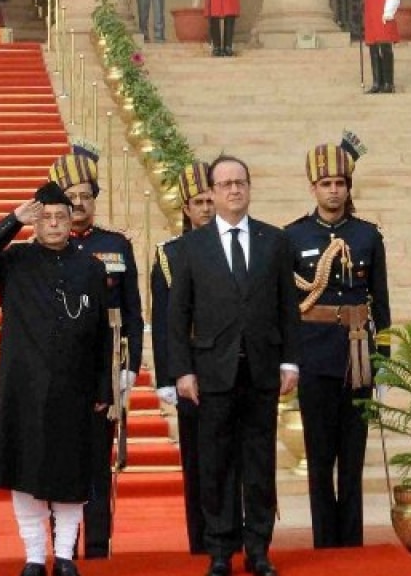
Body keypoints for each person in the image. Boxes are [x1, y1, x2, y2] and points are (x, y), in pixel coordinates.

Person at [166, 155, 301, 576]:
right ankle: (221, 548)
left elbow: (287, 308)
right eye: (224, 184)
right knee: (217, 462)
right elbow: (177, 314)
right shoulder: (190, 247)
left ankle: (258, 548)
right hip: (212, 371)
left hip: (262, 368)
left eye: (240, 182)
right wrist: (183, 370)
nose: (233, 190)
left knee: (260, 463)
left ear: (249, 186)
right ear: (212, 191)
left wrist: (290, 362)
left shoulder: (274, 241)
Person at [0, 182, 112, 576]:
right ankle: (34, 555)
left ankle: (64, 554)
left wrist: (104, 386)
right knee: (24, 470)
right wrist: (13, 221)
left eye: (60, 217)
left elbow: (103, 333)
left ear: (71, 222)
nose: (53, 224)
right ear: (36, 223)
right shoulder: (16, 260)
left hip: (75, 386)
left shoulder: (91, 267)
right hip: (24, 387)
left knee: (71, 472)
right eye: (46, 217)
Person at [283, 133, 390, 549]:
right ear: (313, 188)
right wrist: (288, 360)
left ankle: (352, 541)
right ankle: (324, 540)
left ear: (348, 187)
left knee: (353, 456)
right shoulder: (293, 237)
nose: (333, 190)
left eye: (340, 184)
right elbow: (288, 306)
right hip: (313, 355)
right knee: (319, 454)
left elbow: (380, 302)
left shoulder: (367, 236)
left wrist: (383, 362)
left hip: (358, 354)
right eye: (325, 184)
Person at [47, 143, 143, 559]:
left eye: (87, 195)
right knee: (57, 459)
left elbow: (135, 313)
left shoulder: (116, 245)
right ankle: (60, 546)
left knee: (98, 461)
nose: (80, 203)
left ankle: (99, 545)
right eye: (72, 197)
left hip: (106, 366)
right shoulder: (48, 250)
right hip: (60, 369)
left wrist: (130, 369)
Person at [150, 162, 216, 555]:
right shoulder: (169, 255)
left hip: (231, 361)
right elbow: (161, 321)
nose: (206, 208)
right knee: (195, 455)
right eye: (198, 202)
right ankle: (201, 535)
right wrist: (167, 375)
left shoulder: (238, 246)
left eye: (210, 200)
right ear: (186, 208)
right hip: (191, 365)